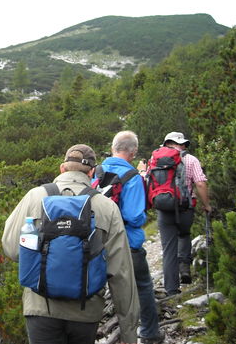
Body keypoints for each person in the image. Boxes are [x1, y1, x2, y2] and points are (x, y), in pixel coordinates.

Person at [2, 144, 139, 344]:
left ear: (62, 168)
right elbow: (121, 273)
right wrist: (128, 332)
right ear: (92, 172)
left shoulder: (35, 197)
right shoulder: (106, 207)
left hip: (41, 309)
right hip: (85, 311)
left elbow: (12, 249)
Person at [99, 131, 164, 343]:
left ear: (112, 148)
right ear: (133, 152)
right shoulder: (133, 177)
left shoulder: (96, 172)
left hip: (97, 242)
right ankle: (149, 333)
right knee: (143, 287)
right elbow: (134, 217)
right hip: (128, 243)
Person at [155, 132, 211, 296]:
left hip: (164, 208)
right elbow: (200, 183)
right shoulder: (191, 159)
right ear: (183, 145)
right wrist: (206, 204)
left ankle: (171, 290)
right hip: (186, 207)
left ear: (166, 144)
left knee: (168, 249)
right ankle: (184, 267)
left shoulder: (157, 159)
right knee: (184, 234)